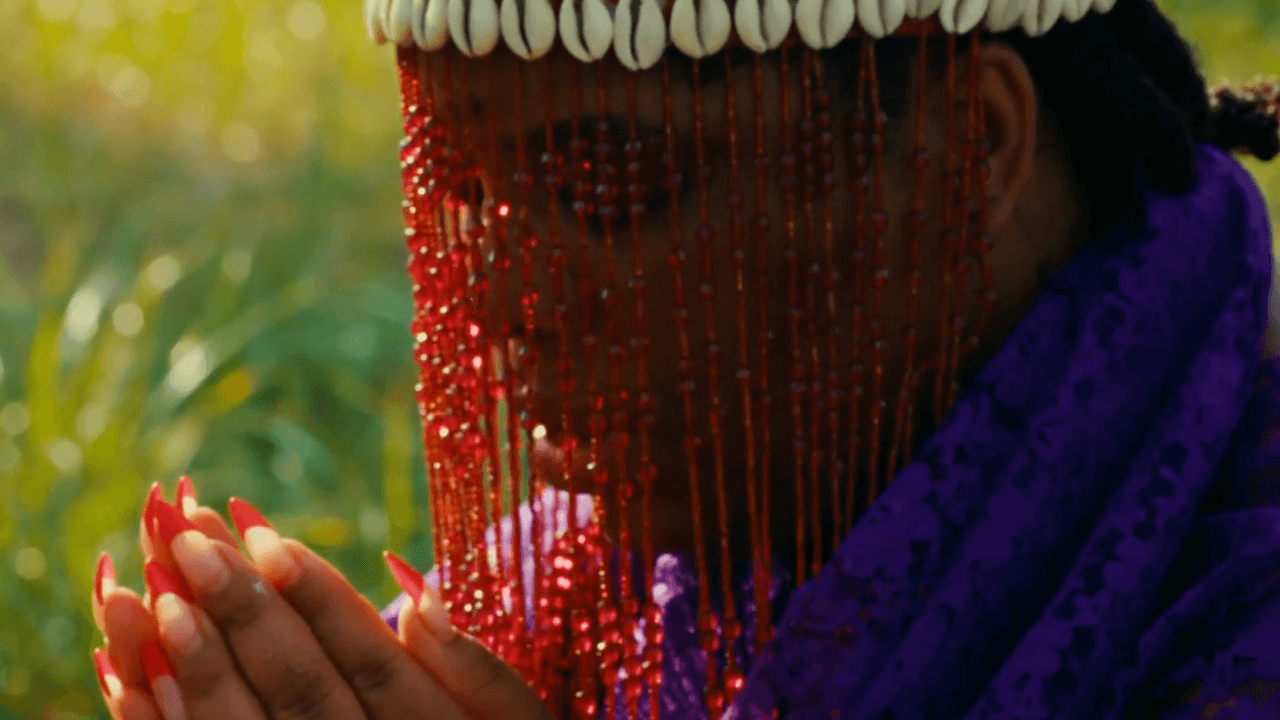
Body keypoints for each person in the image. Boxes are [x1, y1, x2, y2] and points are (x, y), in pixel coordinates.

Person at [90, 0, 1280, 718]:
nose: (495, 295)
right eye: (457, 192)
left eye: (602, 184)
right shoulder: (571, 591)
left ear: (966, 148)